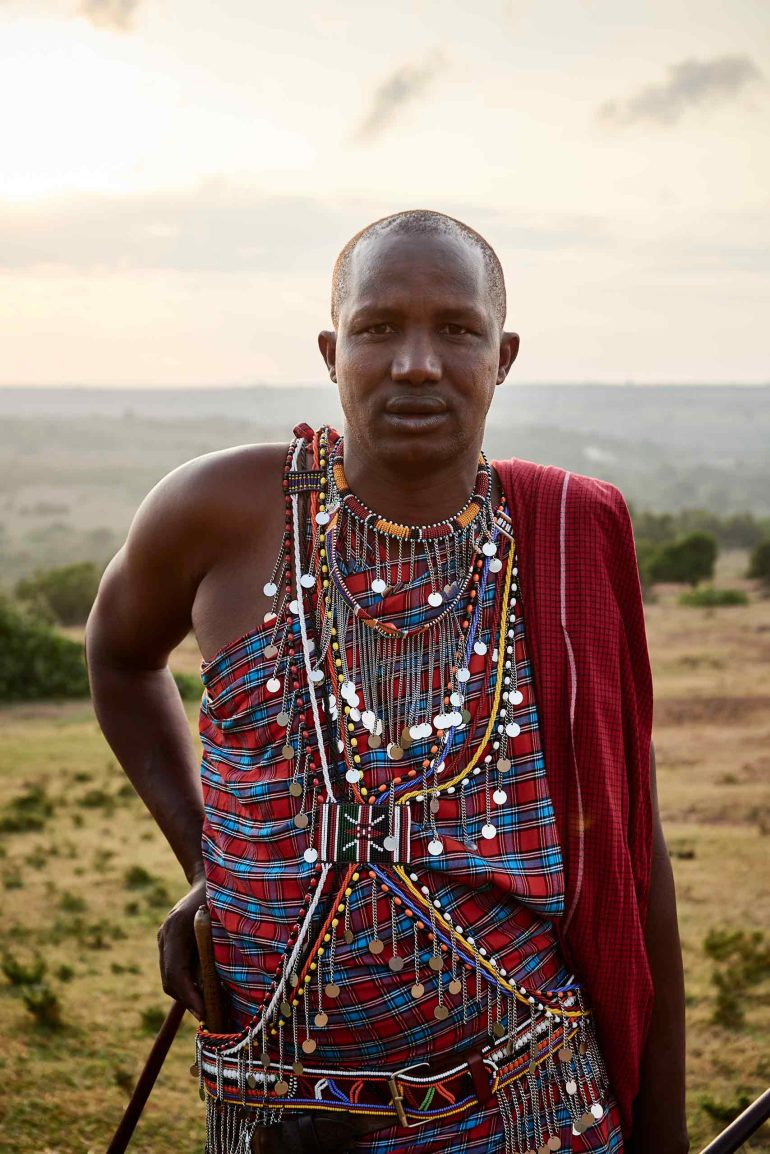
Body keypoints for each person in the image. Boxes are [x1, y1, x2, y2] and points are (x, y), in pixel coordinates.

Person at [86, 210, 688, 1154]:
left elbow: (631, 863)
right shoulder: (218, 512)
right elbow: (119, 657)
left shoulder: (568, 541)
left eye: (457, 329)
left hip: (534, 1113)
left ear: (503, 357)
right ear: (332, 353)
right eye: (377, 329)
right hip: (272, 1121)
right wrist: (212, 863)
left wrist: (662, 1138)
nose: (416, 363)